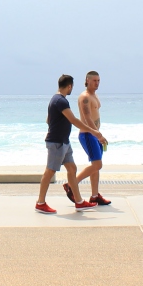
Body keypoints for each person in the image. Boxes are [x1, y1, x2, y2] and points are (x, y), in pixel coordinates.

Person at [36, 75, 102, 214]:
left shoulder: (56, 100)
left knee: (72, 169)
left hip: (64, 141)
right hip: (57, 142)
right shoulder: (60, 101)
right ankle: (40, 203)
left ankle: (79, 202)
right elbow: (74, 120)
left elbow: (48, 120)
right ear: (69, 86)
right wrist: (94, 131)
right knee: (50, 171)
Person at [73, 71, 111, 205]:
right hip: (88, 134)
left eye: (98, 80)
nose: (97, 83)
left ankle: (95, 195)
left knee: (95, 166)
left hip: (95, 134)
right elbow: (87, 118)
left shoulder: (94, 95)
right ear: (87, 80)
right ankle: (72, 184)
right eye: (94, 80)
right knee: (97, 164)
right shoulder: (85, 97)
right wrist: (97, 134)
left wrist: (98, 133)